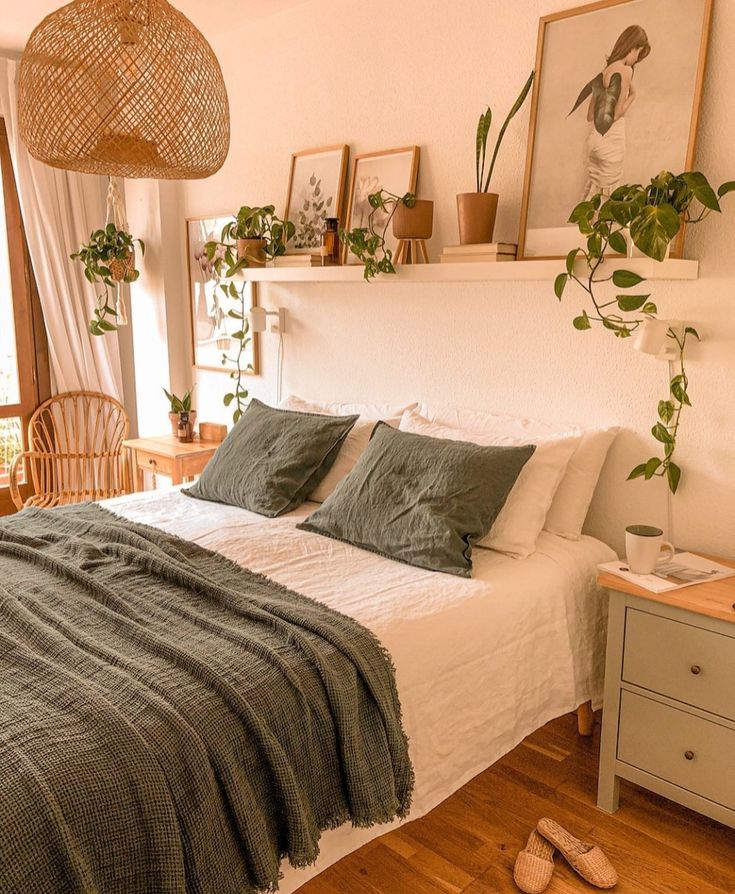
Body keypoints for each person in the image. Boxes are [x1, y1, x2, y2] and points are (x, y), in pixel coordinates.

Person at [569, 25, 651, 199]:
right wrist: (633, 96)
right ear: (634, 47)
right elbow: (616, 113)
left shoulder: (604, 72)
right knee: (609, 196)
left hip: (595, 142)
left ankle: (587, 224)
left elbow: (590, 116)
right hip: (612, 143)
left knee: (594, 194)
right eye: (638, 54)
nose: (636, 60)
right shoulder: (626, 70)